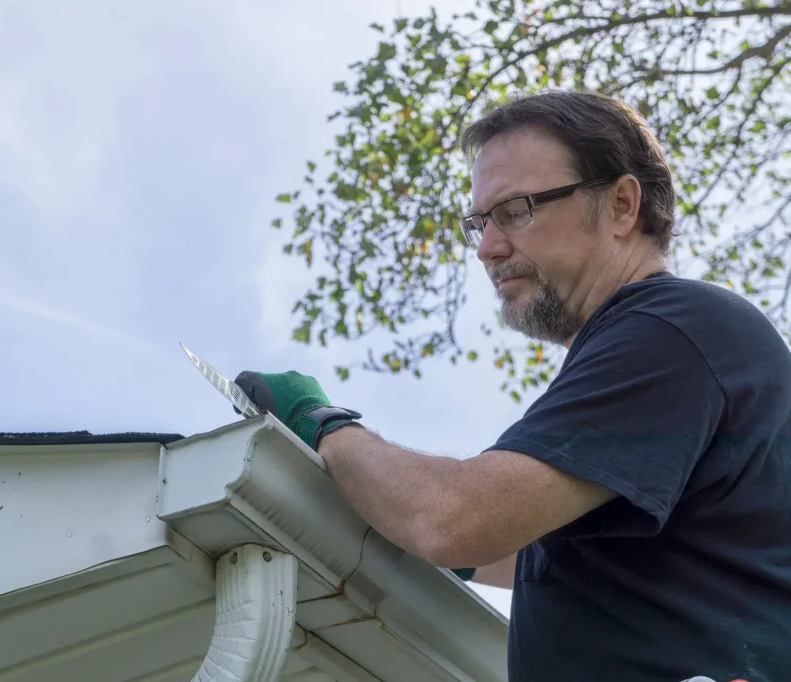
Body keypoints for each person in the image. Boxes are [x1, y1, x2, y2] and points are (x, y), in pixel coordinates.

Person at [234, 91, 791, 682]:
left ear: (623, 205)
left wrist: (322, 424)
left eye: (517, 210)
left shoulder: (673, 327)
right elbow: (515, 548)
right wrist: (381, 516)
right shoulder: (672, 358)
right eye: (479, 222)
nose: (487, 248)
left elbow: (454, 521)